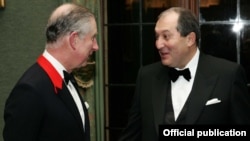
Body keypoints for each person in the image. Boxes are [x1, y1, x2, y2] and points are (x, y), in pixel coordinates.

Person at [118, 7, 250, 141]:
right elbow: (132, 134)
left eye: (166, 36)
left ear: (190, 39)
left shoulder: (228, 75)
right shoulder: (146, 76)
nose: (158, 44)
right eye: (157, 37)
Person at [3, 3, 98, 141]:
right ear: (74, 40)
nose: (96, 46)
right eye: (93, 38)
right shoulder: (29, 91)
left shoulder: (66, 77)